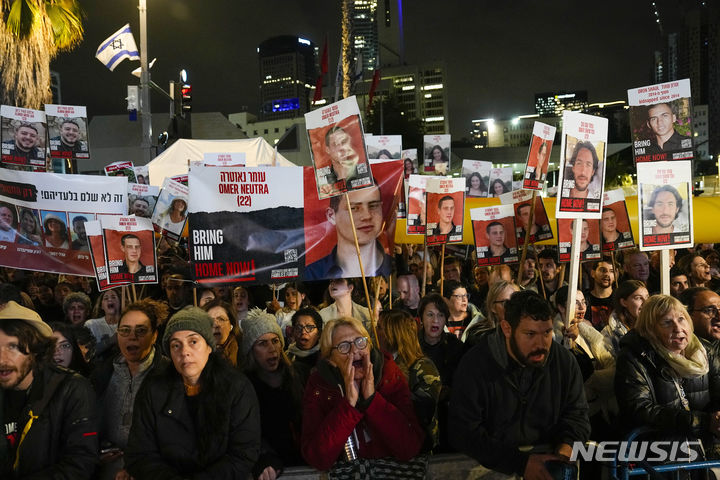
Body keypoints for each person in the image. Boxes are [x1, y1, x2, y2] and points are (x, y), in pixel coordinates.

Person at [449, 290, 590, 477]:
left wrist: (566, 449)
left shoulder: (564, 362)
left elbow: (577, 415)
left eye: (547, 332)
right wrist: (519, 463)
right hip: (490, 471)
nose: (541, 344)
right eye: (530, 334)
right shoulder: (476, 364)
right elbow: (464, 431)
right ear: (507, 329)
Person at [125, 307, 261, 478]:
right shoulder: (153, 390)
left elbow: (244, 452)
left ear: (209, 347)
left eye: (193, 342)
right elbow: (140, 454)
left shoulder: (236, 388)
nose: (184, 352)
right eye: (176, 345)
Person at [300, 316, 424, 470]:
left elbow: (410, 447)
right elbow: (317, 457)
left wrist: (372, 400)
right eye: (344, 346)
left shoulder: (389, 374)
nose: (355, 351)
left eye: (360, 342)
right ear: (330, 359)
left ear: (369, 347)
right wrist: (348, 406)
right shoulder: (319, 385)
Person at [0, 301, 98, 478]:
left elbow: (80, 463)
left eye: (12, 347)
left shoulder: (72, 389)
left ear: (35, 349)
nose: (2, 360)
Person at [614, 295, 720, 456]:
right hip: (659, 456)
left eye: (681, 319)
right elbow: (639, 409)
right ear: (651, 330)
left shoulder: (705, 351)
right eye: (667, 323)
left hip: (706, 451)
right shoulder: (634, 357)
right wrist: (702, 422)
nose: (678, 328)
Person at [91, 299, 170, 480]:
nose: (132, 337)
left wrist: (140, 466)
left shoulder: (168, 375)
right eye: (125, 330)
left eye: (141, 331)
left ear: (155, 335)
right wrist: (93, 453)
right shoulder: (102, 373)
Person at [242, 309, 305, 478]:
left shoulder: (299, 375)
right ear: (251, 351)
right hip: (271, 469)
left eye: (275, 341)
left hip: (306, 463)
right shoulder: (245, 388)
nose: (272, 349)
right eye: (262, 343)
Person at [378, 309, 441, 453]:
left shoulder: (423, 367)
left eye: (380, 327)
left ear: (393, 333)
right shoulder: (379, 363)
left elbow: (423, 411)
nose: (374, 331)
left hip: (418, 446)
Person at [305, 186, 392, 280]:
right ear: (331, 215)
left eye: (373, 206)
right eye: (353, 208)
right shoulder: (311, 274)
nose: (367, 216)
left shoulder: (394, 267)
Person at [417, 294, 465, 451]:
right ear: (421, 318)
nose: (435, 320)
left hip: (448, 419)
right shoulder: (411, 346)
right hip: (418, 419)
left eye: (440, 315)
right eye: (430, 314)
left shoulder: (456, 347)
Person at [602, 280, 649, 357]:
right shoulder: (609, 335)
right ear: (624, 302)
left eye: (647, 297)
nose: (646, 302)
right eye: (638, 298)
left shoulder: (656, 328)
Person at [464, 280, 519, 344]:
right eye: (506, 303)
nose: (512, 307)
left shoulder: (525, 331)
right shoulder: (479, 336)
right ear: (493, 307)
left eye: (515, 301)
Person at [203, 298, 242, 367]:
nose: (215, 324)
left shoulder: (242, 353)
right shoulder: (197, 355)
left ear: (231, 325)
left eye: (221, 319)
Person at [85, 288, 121, 354]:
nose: (110, 299)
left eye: (113, 297)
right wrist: (110, 341)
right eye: (106, 298)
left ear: (120, 302)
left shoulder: (129, 325)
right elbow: (86, 352)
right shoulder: (91, 325)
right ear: (102, 306)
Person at [585, 259, 615, 331]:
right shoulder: (584, 299)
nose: (607, 274)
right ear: (593, 273)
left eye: (611, 271)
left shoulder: (619, 298)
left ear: (616, 274)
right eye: (602, 270)